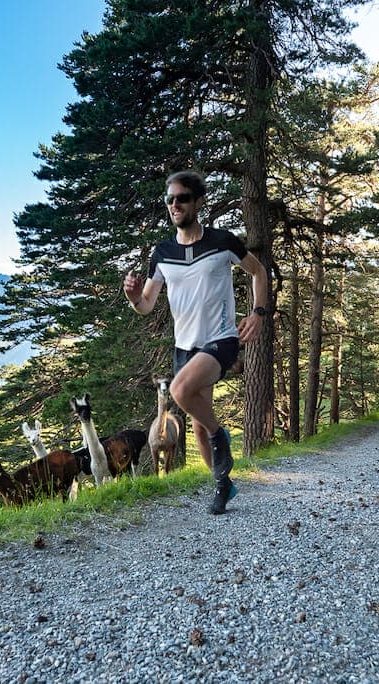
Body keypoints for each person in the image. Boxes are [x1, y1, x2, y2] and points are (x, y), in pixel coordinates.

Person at [123, 171, 268, 514]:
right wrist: (132, 296)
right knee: (199, 428)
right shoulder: (162, 253)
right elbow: (145, 305)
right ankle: (223, 485)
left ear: (198, 202)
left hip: (221, 340)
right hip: (183, 347)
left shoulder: (222, 242)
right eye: (170, 199)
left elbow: (259, 271)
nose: (175, 204)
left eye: (182, 198)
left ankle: (223, 437)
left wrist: (258, 313)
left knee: (178, 391)